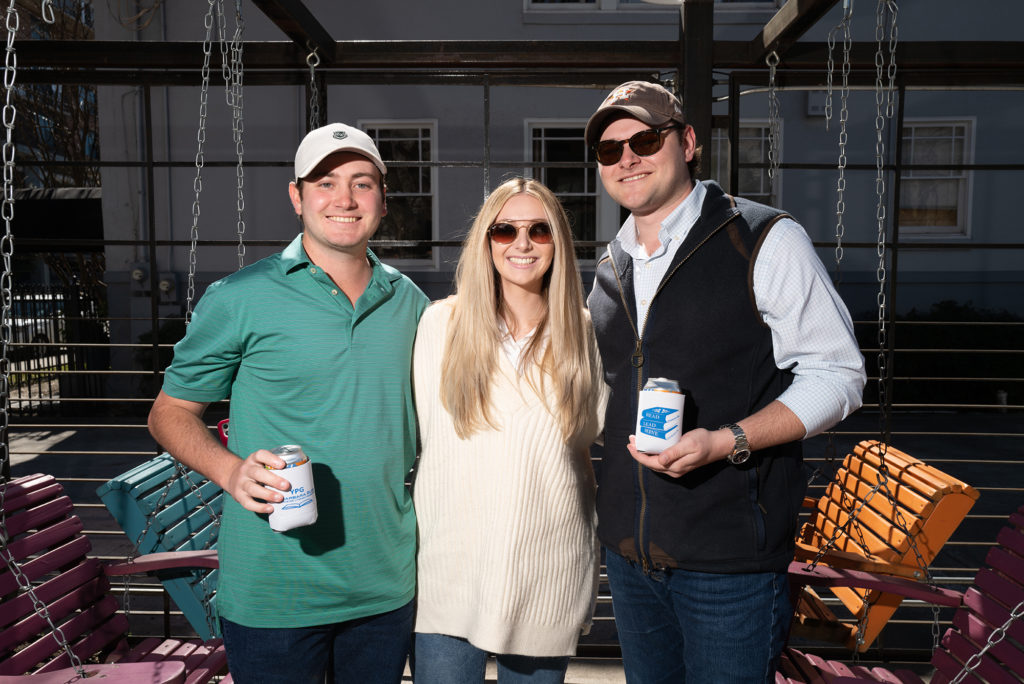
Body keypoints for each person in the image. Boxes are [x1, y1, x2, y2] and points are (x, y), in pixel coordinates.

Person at [584, 81, 867, 683]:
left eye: (644, 139)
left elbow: (837, 374)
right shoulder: (611, 265)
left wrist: (727, 441)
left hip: (729, 565)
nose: (626, 157)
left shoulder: (762, 238)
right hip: (630, 558)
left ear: (687, 142)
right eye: (610, 150)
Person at [147, 122, 429, 684]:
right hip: (274, 592)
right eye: (325, 182)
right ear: (298, 196)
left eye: (362, 183)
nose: (345, 199)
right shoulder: (240, 298)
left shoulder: (411, 302)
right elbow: (168, 413)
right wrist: (230, 471)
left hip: (384, 585)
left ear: (382, 200)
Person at [411, 177, 607, 683]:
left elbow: (592, 439)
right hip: (450, 573)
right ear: (486, 241)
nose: (522, 244)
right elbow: (428, 442)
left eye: (539, 230)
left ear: (558, 243)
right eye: (505, 230)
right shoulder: (441, 326)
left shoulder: (584, 333)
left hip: (548, 572)